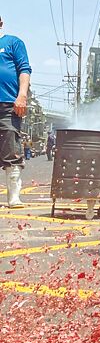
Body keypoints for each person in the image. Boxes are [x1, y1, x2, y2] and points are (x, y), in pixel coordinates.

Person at [0, 15, 32, 209]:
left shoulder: (12, 43)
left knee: (11, 147)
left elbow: (24, 69)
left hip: (7, 104)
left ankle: (13, 197)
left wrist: (22, 96)